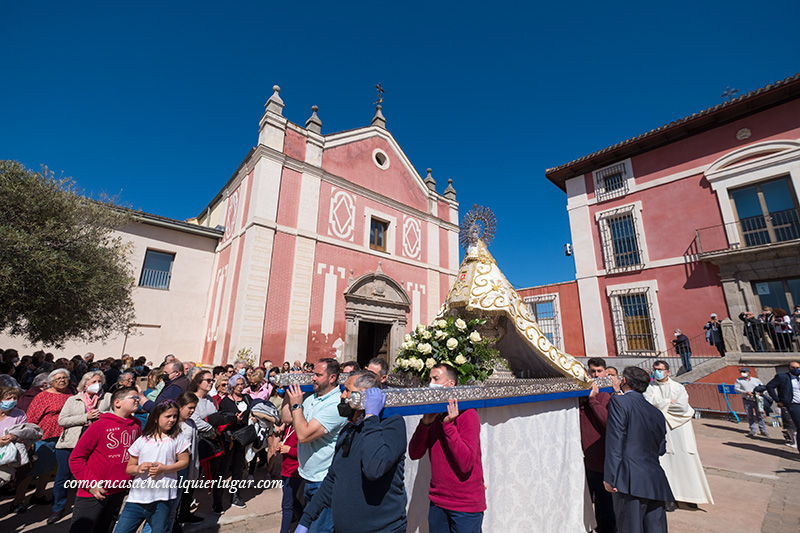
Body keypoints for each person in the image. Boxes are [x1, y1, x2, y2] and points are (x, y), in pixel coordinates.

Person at [295, 371, 407, 533]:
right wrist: (306, 520)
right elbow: (333, 478)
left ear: (364, 398)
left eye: (348, 390)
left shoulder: (392, 425)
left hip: (382, 529)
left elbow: (374, 469)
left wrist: (370, 418)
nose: (342, 395)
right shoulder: (349, 429)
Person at [409, 364, 485, 532]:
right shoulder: (432, 413)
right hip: (438, 501)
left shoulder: (468, 413)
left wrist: (448, 426)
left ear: (451, 384)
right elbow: (414, 453)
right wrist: (425, 424)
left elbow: (465, 463)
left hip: (465, 504)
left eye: (436, 379)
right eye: (429, 379)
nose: (431, 384)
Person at [604, 366, 673, 533]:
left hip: (629, 478)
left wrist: (610, 476)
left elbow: (616, 440)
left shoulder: (618, 402)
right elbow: (661, 448)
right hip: (655, 478)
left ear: (624, 381)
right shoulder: (656, 412)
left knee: (630, 527)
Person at [68, 387, 142, 533]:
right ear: (117, 402)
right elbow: (76, 458)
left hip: (119, 489)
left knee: (105, 528)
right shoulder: (99, 425)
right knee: (82, 529)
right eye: (134, 397)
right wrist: (90, 484)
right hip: (95, 491)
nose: (138, 400)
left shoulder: (137, 425)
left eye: (138, 398)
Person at [286, 358, 347, 533]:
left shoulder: (336, 404)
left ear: (332, 377)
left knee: (320, 530)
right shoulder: (312, 397)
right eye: (313, 374)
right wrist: (287, 393)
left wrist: (296, 405)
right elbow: (287, 418)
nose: (313, 378)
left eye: (318, 375)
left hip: (323, 479)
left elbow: (304, 435)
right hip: (309, 476)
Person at [644, 360, 713, 511]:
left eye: (660, 369)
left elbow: (682, 407)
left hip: (680, 429)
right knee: (666, 463)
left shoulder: (678, 387)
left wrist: (661, 405)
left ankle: (690, 496)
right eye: (655, 369)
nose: (657, 372)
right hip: (662, 429)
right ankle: (669, 497)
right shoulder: (649, 388)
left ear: (668, 372)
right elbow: (649, 403)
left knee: (686, 461)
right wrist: (669, 401)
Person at [113, 400, 190, 533]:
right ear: (155, 418)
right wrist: (138, 468)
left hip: (163, 499)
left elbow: (184, 461)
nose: (172, 420)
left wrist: (164, 468)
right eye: (168, 416)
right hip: (137, 499)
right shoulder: (142, 440)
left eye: (175, 416)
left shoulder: (177, 438)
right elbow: (129, 467)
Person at [50, 371, 113, 524]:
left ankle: (88, 506)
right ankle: (58, 508)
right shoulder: (73, 399)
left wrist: (101, 416)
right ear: (85, 384)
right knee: (63, 477)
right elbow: (62, 420)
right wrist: (86, 417)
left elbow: (113, 417)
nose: (97, 384)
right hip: (70, 442)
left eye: (99, 381)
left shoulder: (107, 397)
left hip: (95, 441)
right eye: (93, 381)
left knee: (89, 475)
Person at [23, 369, 74, 508]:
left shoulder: (70, 394)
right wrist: (30, 438)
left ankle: (39, 495)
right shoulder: (42, 396)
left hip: (63, 436)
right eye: (58, 378)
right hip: (44, 436)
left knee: (49, 468)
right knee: (32, 470)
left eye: (65, 377)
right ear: (51, 381)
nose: (62, 380)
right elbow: (31, 418)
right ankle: (19, 500)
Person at [580, 358, 616, 533]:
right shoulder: (583, 394)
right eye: (593, 371)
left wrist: (593, 401)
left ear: (606, 372)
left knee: (606, 506)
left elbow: (608, 422)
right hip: (587, 459)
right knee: (590, 502)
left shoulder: (607, 394)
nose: (596, 375)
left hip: (603, 460)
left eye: (599, 371)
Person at [217, 374, 252, 510]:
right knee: (224, 470)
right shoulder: (225, 401)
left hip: (242, 439)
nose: (240, 386)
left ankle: (235, 495)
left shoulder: (247, 399)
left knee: (238, 469)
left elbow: (252, 411)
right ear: (231, 386)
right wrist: (232, 419)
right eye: (237, 384)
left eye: (242, 384)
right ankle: (217, 500)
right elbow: (221, 420)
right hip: (229, 439)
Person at [274, 399, 302, 533]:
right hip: (285, 470)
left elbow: (304, 452)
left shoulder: (300, 429)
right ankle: (303, 519)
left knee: (286, 505)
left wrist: (289, 450)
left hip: (294, 471)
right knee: (292, 499)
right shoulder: (289, 427)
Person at [1, 386, 29, 514]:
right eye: (8, 398)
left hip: (10, 456)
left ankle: (17, 502)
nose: (12, 400)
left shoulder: (19, 413)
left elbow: (23, 430)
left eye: (15, 398)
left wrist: (14, 436)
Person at [766, 361, 800, 454]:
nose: (796, 369)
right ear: (789, 368)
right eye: (793, 367)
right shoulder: (782, 377)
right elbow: (769, 386)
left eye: (798, 367)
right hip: (793, 405)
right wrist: (778, 400)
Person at [734, 367, 768, 437]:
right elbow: (736, 389)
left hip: (757, 400)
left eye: (744, 371)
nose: (742, 373)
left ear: (749, 372)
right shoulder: (739, 380)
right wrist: (745, 392)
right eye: (741, 372)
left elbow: (764, 389)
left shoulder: (756, 380)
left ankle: (763, 430)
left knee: (760, 415)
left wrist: (760, 393)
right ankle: (753, 430)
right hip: (747, 400)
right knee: (750, 415)